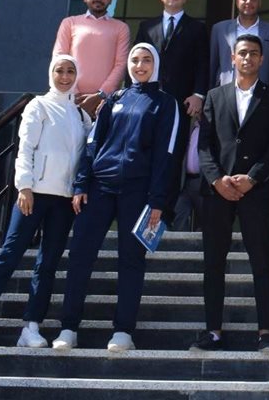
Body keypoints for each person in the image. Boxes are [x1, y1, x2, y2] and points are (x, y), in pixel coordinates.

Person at [53, 43, 179, 352]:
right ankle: (68, 327)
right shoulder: (116, 98)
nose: (140, 65)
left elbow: (167, 154)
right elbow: (93, 142)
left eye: (146, 60)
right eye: (135, 60)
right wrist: (82, 184)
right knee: (80, 255)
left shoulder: (166, 103)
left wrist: (158, 200)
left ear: (156, 65)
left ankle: (123, 331)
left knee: (131, 260)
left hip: (138, 192)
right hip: (100, 188)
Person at [0, 55, 91, 348]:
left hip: (64, 201)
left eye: (71, 71)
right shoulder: (38, 105)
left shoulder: (81, 115)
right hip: (34, 194)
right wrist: (25, 186)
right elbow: (26, 148)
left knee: (48, 264)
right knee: (10, 253)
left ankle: (31, 326)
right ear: (51, 73)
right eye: (60, 71)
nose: (65, 77)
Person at [192, 34, 269, 353]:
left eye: (254, 53)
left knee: (262, 262)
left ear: (262, 59)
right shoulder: (214, 96)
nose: (248, 58)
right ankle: (213, 330)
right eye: (242, 53)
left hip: (255, 191)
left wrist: (253, 178)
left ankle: (266, 332)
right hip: (217, 192)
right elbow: (204, 145)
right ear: (232, 58)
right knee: (213, 262)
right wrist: (217, 179)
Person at [135, 0, 209, 228]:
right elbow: (135, 62)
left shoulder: (197, 29)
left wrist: (199, 94)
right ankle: (141, 213)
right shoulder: (147, 27)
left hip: (181, 105)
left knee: (173, 158)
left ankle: (165, 216)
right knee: (145, 154)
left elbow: (202, 64)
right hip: (148, 102)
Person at [52, 0, 131, 117]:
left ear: (110, 0)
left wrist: (100, 95)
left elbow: (121, 64)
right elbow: (59, 58)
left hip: (104, 104)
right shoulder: (69, 23)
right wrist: (74, 94)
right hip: (70, 99)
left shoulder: (121, 28)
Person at [210, 0, 269, 89]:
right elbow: (212, 65)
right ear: (237, 2)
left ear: (259, 2)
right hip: (226, 91)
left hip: (262, 93)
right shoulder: (219, 29)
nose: (248, 2)